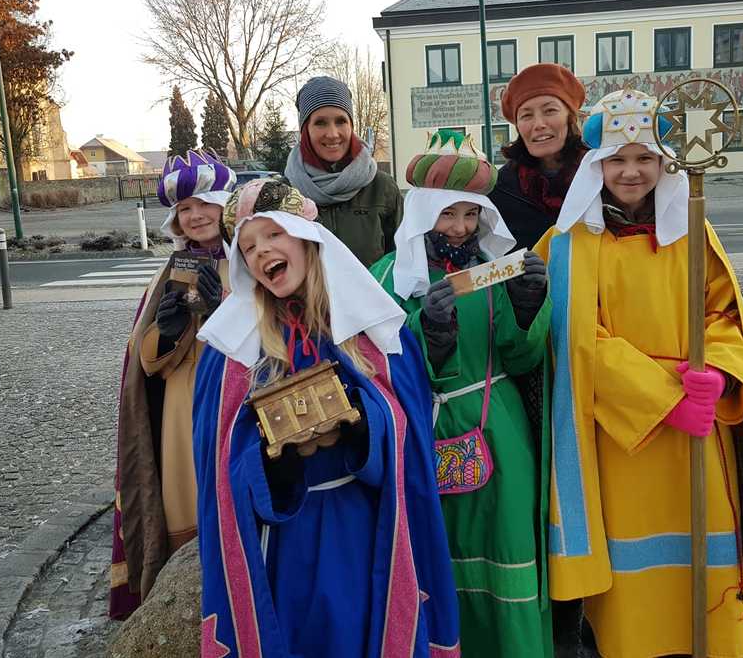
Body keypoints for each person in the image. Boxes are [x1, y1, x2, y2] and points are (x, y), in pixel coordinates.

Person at [536, 89, 743, 657]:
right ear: (596, 165)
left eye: (645, 158)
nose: (631, 172)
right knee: (634, 583)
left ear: (665, 164)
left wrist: (720, 374)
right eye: (617, 159)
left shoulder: (692, 230)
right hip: (621, 439)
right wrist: (663, 398)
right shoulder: (567, 244)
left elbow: (723, 313)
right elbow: (576, 339)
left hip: (698, 431)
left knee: (704, 563)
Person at [193, 177, 461, 658]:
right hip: (284, 542)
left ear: (306, 237)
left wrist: (360, 425)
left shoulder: (370, 329)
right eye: (248, 246)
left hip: (364, 530)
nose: (261, 251)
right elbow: (217, 466)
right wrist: (275, 463)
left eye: (273, 234)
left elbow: (412, 427)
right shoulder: (231, 353)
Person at [370, 130, 553, 658]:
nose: (460, 227)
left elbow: (522, 359)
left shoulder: (497, 271)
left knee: (507, 548)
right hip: (423, 433)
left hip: (501, 431)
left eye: (471, 215)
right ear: (422, 214)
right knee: (436, 552)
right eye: (447, 214)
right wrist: (429, 333)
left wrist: (528, 309)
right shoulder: (387, 278)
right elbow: (378, 367)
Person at [109, 149, 235, 619]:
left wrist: (222, 309)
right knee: (189, 507)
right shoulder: (167, 275)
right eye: (185, 209)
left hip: (238, 399)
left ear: (224, 206)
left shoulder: (254, 261)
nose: (195, 215)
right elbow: (146, 365)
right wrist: (168, 327)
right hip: (183, 409)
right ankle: (188, 609)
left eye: (203, 204)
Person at [284, 75, 403, 266]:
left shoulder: (382, 188)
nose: (332, 134)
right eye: (320, 123)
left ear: (351, 126)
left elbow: (402, 263)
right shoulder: (285, 194)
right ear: (305, 130)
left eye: (341, 121)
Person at [489, 62, 590, 252]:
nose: (539, 124)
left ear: (570, 117)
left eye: (550, 111)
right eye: (526, 115)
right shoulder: (500, 189)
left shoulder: (599, 174)